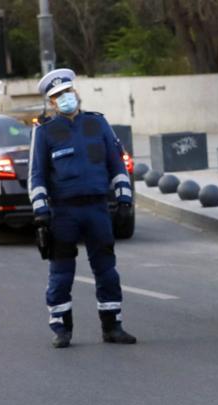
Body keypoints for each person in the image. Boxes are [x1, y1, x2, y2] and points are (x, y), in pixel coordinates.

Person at [28, 68, 136, 349]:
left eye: (67, 93)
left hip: (98, 209)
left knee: (107, 270)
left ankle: (112, 327)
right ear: (52, 103)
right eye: (57, 96)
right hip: (64, 213)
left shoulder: (98, 124)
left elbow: (117, 165)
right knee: (62, 273)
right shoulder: (45, 131)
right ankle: (61, 329)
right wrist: (41, 213)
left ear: (76, 93)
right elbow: (36, 176)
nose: (64, 99)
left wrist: (124, 200)